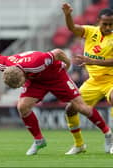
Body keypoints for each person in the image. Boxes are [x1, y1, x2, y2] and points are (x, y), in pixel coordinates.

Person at [0, 49, 113, 155]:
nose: (20, 87)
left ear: (23, 75)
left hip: (56, 76)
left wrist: (68, 65)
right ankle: (39, 140)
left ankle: (107, 134)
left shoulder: (38, 61)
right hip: (36, 81)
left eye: (20, 83)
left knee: (80, 107)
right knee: (22, 106)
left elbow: (57, 52)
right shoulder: (3, 63)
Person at [62, 3, 113, 154]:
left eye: (111, 24)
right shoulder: (91, 32)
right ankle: (79, 145)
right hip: (93, 81)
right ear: (98, 21)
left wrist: (93, 61)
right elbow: (72, 28)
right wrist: (67, 15)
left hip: (111, 80)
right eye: (105, 24)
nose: (108, 27)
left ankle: (112, 141)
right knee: (70, 109)